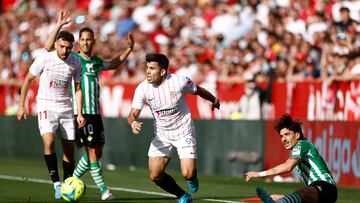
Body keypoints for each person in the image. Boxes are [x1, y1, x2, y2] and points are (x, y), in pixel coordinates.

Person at [44, 10, 134, 200]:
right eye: (83, 39)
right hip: (82, 112)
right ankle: (104, 191)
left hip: (96, 112)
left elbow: (112, 64)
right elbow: (49, 48)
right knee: (92, 152)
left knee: (98, 152)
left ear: (93, 41)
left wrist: (128, 50)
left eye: (89, 39)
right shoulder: (73, 60)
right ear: (79, 42)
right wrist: (59, 25)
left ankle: (73, 179)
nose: (85, 42)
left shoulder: (96, 61)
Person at [127, 53, 220, 203]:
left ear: (163, 71)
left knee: (188, 173)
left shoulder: (179, 81)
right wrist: (133, 123)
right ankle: (183, 195)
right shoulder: (142, 88)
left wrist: (214, 100)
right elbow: (132, 114)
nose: (147, 72)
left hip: (184, 131)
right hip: (162, 136)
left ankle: (192, 177)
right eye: (147, 68)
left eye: (152, 68)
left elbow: (199, 90)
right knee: (155, 175)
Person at [16, 30, 85, 200]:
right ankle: (56, 184)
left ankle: (68, 183)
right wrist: (21, 105)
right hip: (46, 105)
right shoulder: (44, 58)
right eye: (62, 46)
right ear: (55, 44)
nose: (65, 50)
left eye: (68, 48)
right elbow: (27, 80)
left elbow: (77, 89)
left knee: (69, 150)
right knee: (49, 141)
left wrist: (80, 113)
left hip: (66, 109)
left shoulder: (76, 62)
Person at [245, 114, 337, 203]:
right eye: (281, 136)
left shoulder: (302, 145)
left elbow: (288, 166)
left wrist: (259, 174)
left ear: (297, 135)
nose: (283, 139)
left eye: (287, 134)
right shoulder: (297, 150)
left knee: (302, 193)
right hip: (318, 192)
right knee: (283, 196)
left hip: (326, 187)